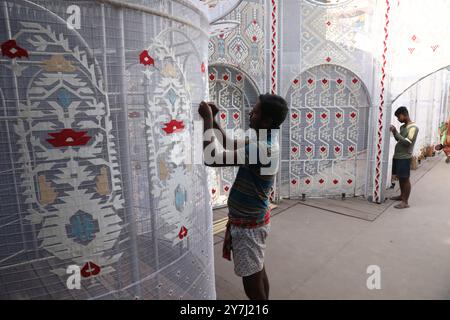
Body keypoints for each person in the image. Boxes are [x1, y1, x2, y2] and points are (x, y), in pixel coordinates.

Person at [198, 94, 288, 300]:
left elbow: (211, 159)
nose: (251, 113)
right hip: (255, 220)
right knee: (258, 270)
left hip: (249, 226)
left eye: (255, 112)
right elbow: (229, 144)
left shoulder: (260, 148)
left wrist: (207, 121)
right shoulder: (264, 138)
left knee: (251, 279)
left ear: (266, 120)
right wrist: (215, 121)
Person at [389, 106, 419, 209]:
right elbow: (400, 140)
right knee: (401, 178)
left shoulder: (413, 128)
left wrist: (395, 132)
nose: (398, 119)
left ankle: (405, 202)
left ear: (405, 114)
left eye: (398, 116)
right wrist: (395, 132)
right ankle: (402, 196)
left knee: (405, 179)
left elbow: (407, 142)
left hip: (405, 157)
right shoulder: (403, 127)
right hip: (398, 156)